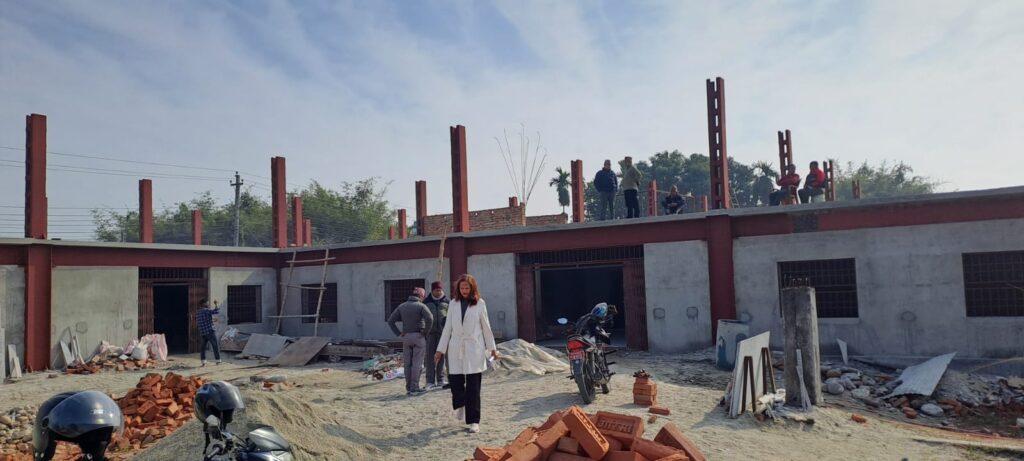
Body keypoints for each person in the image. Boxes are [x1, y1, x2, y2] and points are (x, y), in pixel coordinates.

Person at [434, 274, 499, 434]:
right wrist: (440, 350)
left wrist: (492, 348)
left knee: (473, 386)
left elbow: (486, 327)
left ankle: (474, 421)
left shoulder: (480, 303)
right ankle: (461, 403)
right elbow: (447, 328)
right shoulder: (453, 304)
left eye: (467, 288)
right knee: (455, 382)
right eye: (462, 288)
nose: (464, 290)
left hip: (474, 347)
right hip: (456, 346)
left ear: (472, 288)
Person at [388, 287, 434, 396]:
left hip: (406, 337)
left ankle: (408, 388)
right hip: (418, 336)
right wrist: (425, 332)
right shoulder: (421, 306)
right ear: (421, 296)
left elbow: (390, 321)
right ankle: (414, 387)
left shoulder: (402, 306)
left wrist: (398, 333)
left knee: (408, 364)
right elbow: (430, 319)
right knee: (417, 363)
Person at [422, 281, 450, 390]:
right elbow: (422, 316)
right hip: (430, 333)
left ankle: (440, 379)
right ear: (432, 291)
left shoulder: (447, 301)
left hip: (443, 333)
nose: (438, 292)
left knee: (441, 356)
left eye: (440, 290)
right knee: (430, 356)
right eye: (436, 290)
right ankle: (430, 381)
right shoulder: (426, 302)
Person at [197, 298, 221, 366]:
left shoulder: (198, 312)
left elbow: (203, 320)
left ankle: (203, 361)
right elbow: (216, 311)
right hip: (209, 331)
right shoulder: (206, 310)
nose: (208, 304)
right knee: (215, 345)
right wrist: (216, 304)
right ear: (204, 303)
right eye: (207, 302)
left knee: (203, 347)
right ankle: (218, 360)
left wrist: (212, 320)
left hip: (203, 332)